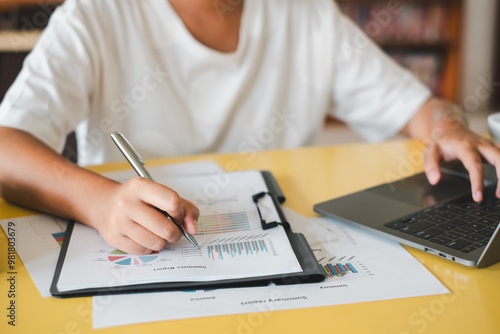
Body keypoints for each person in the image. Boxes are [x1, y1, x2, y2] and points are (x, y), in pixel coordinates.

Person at [0, 0, 498, 254]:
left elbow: (422, 108)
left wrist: (449, 126)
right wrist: (99, 201)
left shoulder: (305, 15)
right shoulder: (95, 16)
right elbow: (7, 147)